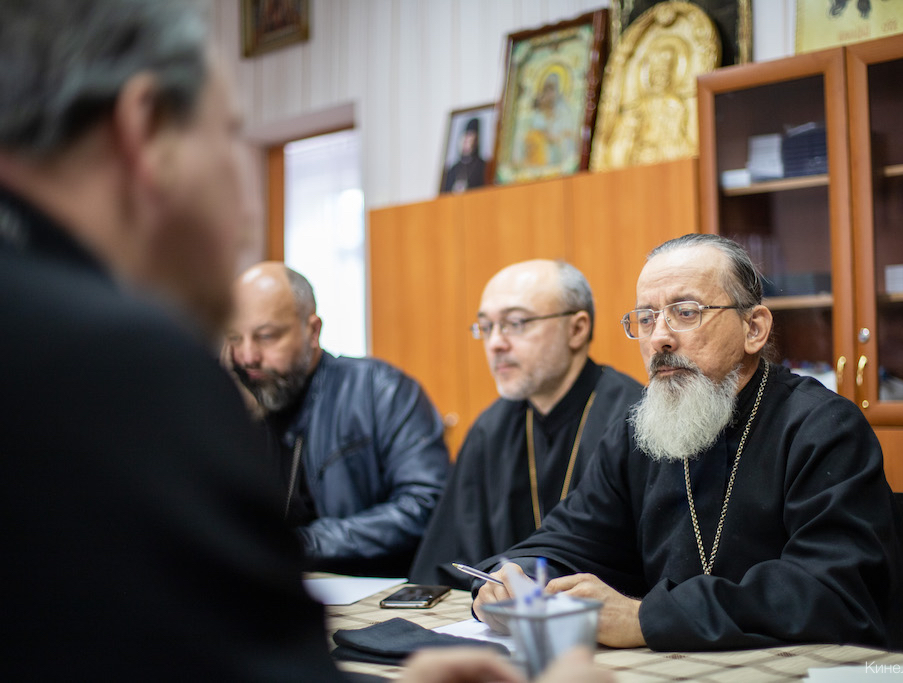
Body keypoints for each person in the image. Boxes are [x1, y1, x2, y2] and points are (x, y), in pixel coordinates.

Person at [0, 2, 609, 681]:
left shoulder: (382, 392)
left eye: (516, 323)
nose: (247, 210)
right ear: (143, 128)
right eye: (229, 138)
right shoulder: (124, 361)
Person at [473, 234, 903, 652]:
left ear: (754, 328)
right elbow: (566, 540)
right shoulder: (638, 434)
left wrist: (645, 618)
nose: (659, 337)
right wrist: (510, 580)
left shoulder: (823, 427)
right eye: (646, 318)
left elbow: (829, 593)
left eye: (685, 312)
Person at [409, 260, 643, 589]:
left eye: (515, 323)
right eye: (486, 327)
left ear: (577, 329)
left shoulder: (635, 420)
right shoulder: (490, 428)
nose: (495, 343)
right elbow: (447, 564)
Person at [226, 262, 451, 578]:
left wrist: (306, 543)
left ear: (312, 331)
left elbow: (427, 504)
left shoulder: (379, 390)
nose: (248, 356)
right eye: (235, 338)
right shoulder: (240, 402)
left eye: (266, 336)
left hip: (376, 586)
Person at [442, 117, 487, 193]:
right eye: (466, 140)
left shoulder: (482, 166)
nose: (468, 144)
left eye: (471, 140)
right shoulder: (453, 169)